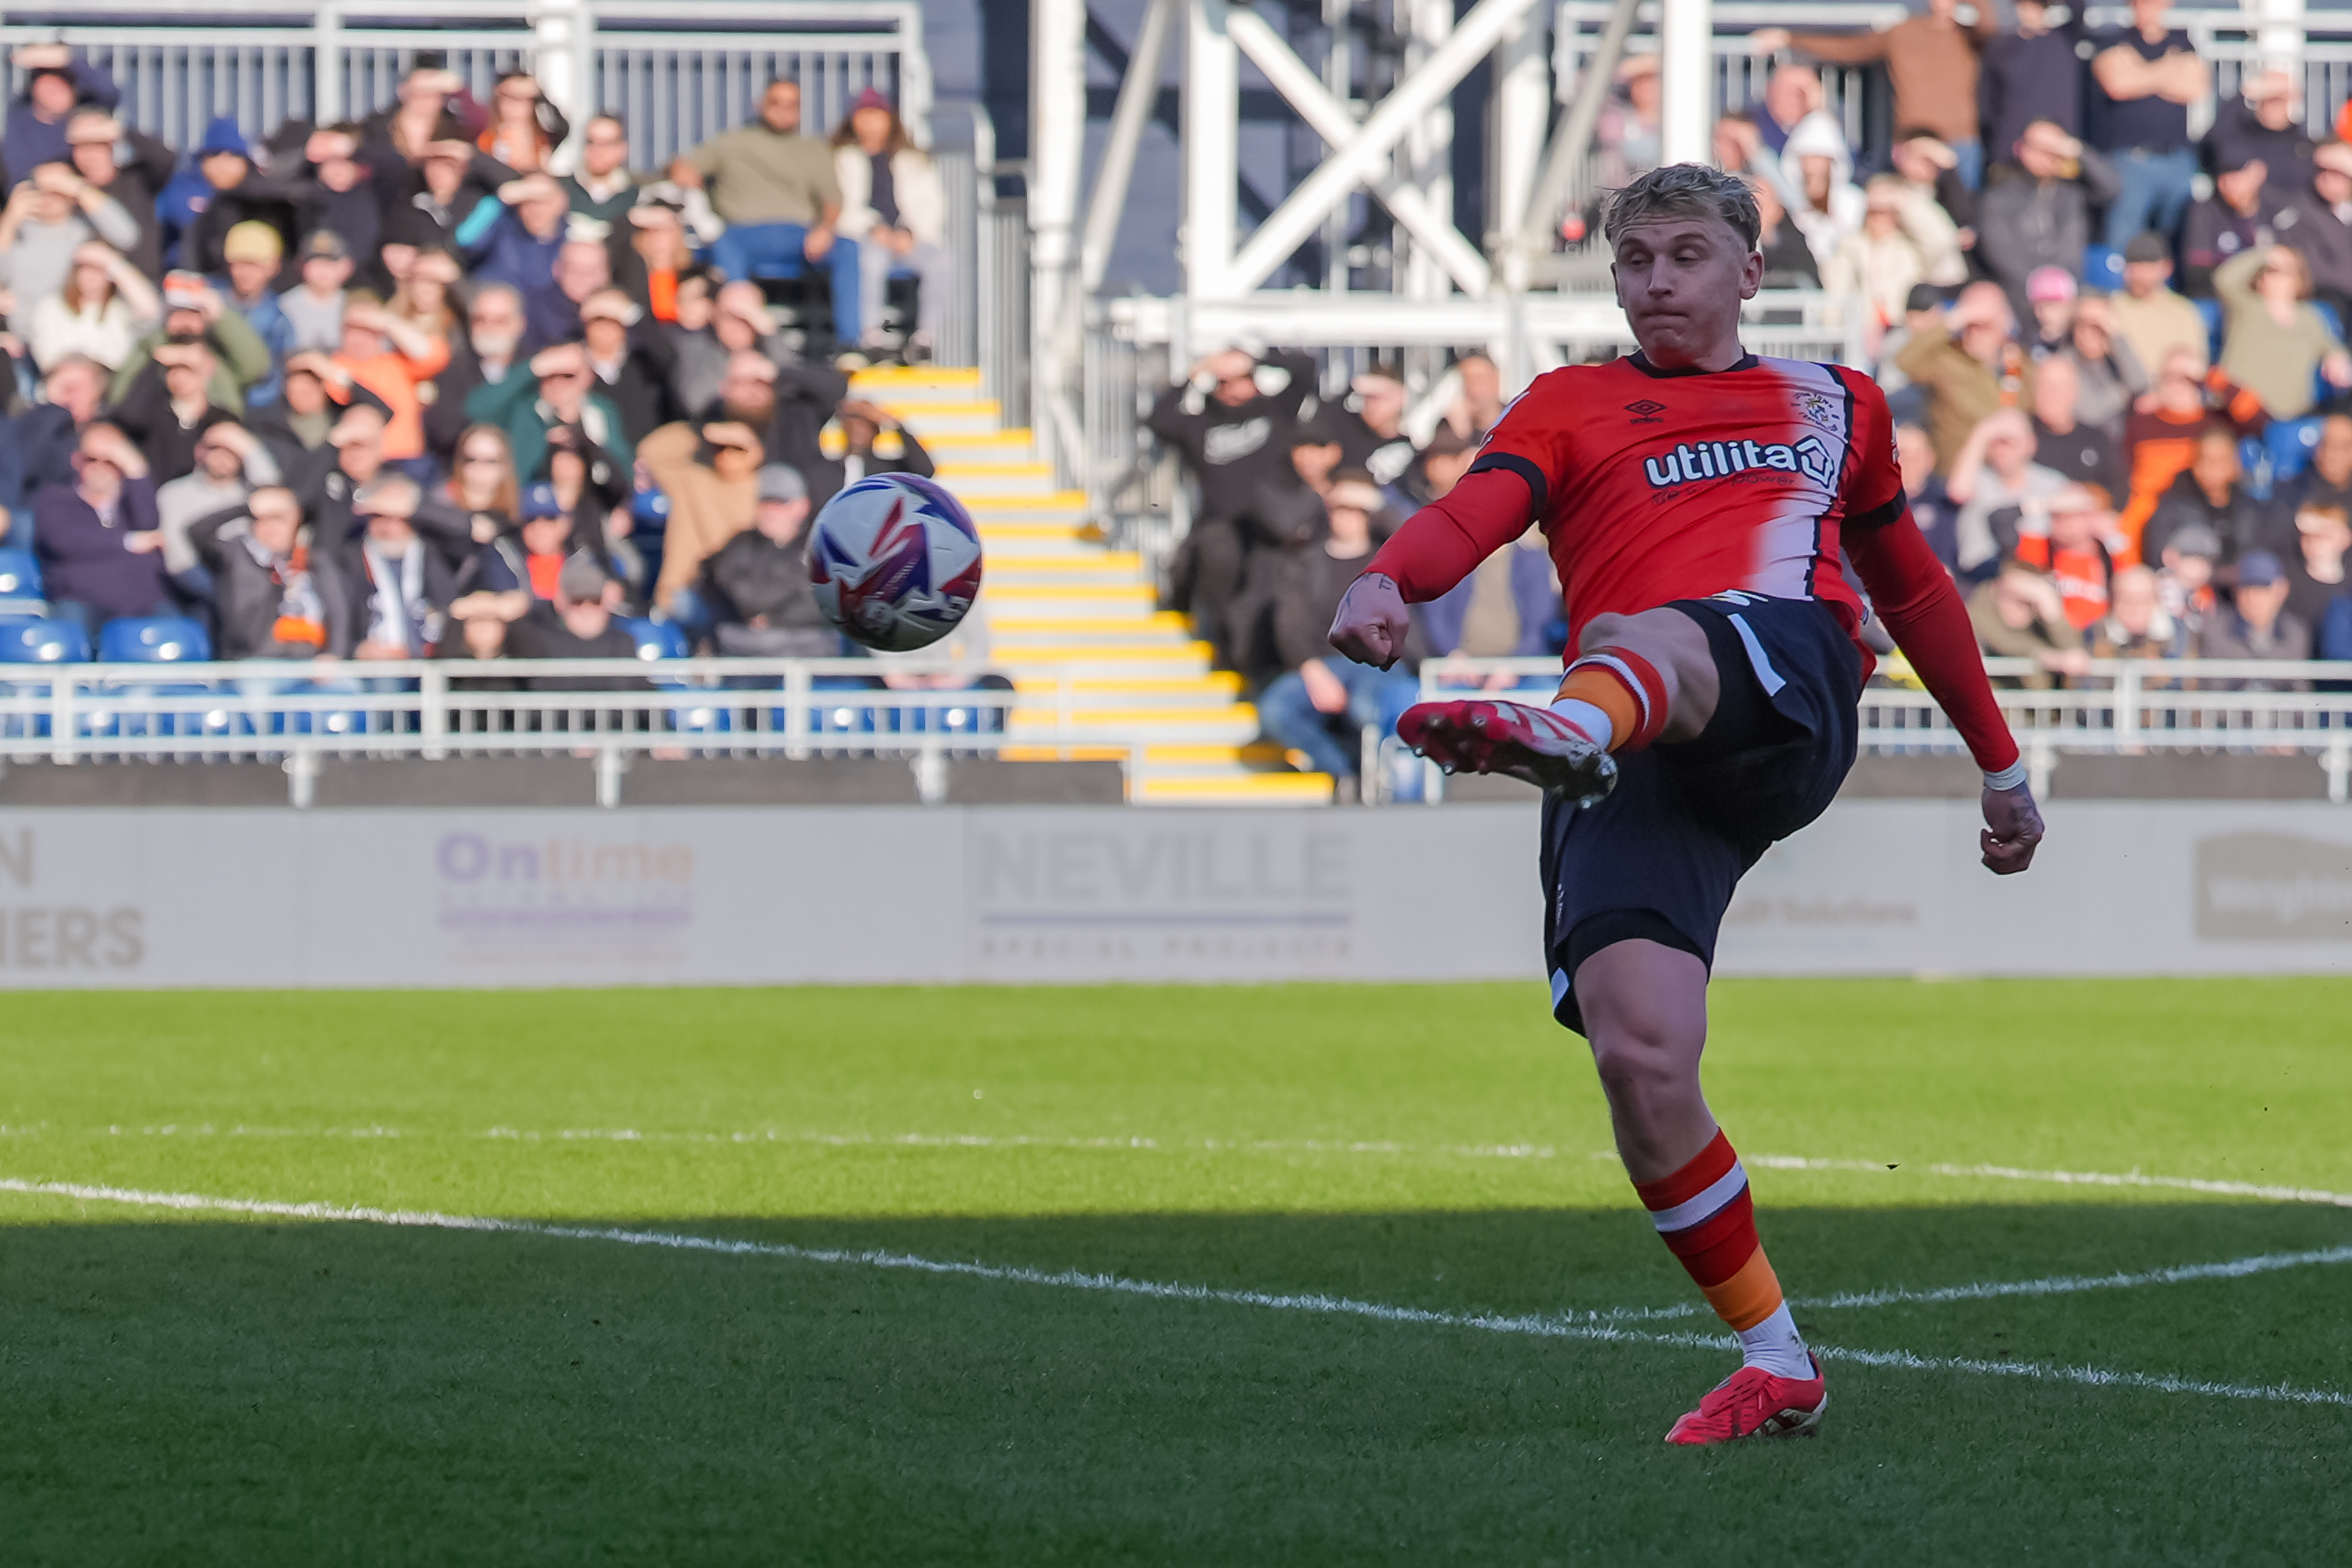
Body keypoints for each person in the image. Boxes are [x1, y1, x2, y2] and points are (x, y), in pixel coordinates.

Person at [1324, 162, 2038, 1444]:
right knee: (1640, 1053)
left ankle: (1565, 730)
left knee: (1645, 632)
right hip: (1637, 737)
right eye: (1636, 259)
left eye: (1686, 255)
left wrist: (2000, 765)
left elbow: (1917, 589)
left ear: (1750, 271)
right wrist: (1388, 581)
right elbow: (1470, 514)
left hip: (1779, 684)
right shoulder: (1570, 403)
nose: (1658, 279)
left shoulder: (1834, 402)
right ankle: (1778, 1357)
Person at [1146, 345, 1318, 666]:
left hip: (1275, 525)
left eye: (1240, 379)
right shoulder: (1200, 423)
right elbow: (1159, 420)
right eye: (1223, 381)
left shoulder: (1276, 409)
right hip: (1222, 525)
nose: (1232, 388)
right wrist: (1196, 371)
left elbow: (1306, 370)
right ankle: (1222, 644)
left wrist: (1254, 358)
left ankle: (1255, 659)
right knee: (1220, 558)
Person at [1258, 474, 1420, 801]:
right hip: (1323, 663)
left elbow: (1420, 537)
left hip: (1379, 662)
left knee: (1366, 709)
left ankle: (1381, 783)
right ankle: (1344, 771)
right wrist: (1310, 668)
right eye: (1339, 508)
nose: (1346, 516)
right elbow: (1290, 622)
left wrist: (1379, 502)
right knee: (1275, 710)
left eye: (1355, 509)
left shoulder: (1390, 558)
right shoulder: (1305, 563)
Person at [671, 78, 862, 345]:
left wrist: (825, 229)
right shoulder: (731, 143)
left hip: (800, 236)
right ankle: (735, 335)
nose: (783, 110)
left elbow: (832, 201)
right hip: (743, 234)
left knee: (849, 248)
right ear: (761, 104)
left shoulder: (813, 149)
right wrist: (687, 177)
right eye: (776, 103)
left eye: (792, 105)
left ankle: (850, 343)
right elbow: (685, 167)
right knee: (723, 243)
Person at [1753, 0, 1995, 187]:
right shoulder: (1902, 33)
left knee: (1965, 219)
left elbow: (1992, 28)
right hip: (1912, 141)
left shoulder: (1970, 36)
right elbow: (1850, 49)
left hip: (1961, 142)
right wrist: (1789, 38)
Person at [830, 89, 952, 363]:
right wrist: (873, 228)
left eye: (877, 116)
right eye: (864, 115)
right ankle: (871, 335)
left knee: (940, 262)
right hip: (865, 236)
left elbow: (932, 204)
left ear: (890, 119)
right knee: (870, 261)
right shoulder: (841, 159)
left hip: (909, 238)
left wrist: (910, 231)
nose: (870, 123)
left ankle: (925, 337)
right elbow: (840, 205)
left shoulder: (913, 160)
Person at [31, 421, 170, 637]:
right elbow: (64, 542)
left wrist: (137, 469)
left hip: (140, 604)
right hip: (80, 601)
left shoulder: (131, 505)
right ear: (77, 460)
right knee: (69, 631)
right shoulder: (55, 499)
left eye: (111, 461)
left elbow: (149, 524)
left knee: (176, 629)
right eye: (91, 459)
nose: (100, 466)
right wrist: (127, 543)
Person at [2089, 0, 2207, 253]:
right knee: (2123, 238)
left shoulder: (2183, 41)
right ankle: (2117, 290)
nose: (2147, 8)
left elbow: (2196, 88)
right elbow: (2118, 85)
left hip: (2176, 157)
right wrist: (2169, 68)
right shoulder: (2112, 40)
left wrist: (2139, 72)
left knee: (2179, 238)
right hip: (2131, 159)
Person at [2117, 351, 2267, 550]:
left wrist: (2214, 379)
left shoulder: (2216, 422)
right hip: (2150, 513)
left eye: (2186, 378)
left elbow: (2260, 419)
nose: (2177, 384)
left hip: (2203, 512)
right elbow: (2122, 473)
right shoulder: (2142, 423)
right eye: (2169, 376)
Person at [1976, 122, 2118, 319]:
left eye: (2053, 149)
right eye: (2039, 148)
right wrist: (2041, 289)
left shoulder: (2073, 191)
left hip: (2070, 292)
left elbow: (2112, 187)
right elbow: (1999, 252)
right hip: (2020, 297)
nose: (2047, 156)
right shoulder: (1999, 195)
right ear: (2021, 149)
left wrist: (2077, 150)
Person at [1894, 281, 2037, 470]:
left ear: (2004, 324)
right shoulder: (1947, 360)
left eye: (1984, 325)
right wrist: (1956, 319)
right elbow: (1904, 361)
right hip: (1956, 473)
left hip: (2007, 473)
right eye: (1970, 326)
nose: (1975, 334)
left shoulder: (2020, 364)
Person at [311, 472, 456, 659]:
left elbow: (472, 529)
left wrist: (417, 508)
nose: (388, 527)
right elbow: (341, 621)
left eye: (399, 517)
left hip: (431, 659)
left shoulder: (433, 554)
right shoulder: (349, 560)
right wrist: (357, 649)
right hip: (376, 664)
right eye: (378, 516)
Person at [703, 463, 837, 656]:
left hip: (810, 642)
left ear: (802, 506)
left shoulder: (819, 548)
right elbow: (735, 592)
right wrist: (792, 590)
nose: (770, 511)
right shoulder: (740, 545)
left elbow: (822, 604)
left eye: (780, 503)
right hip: (747, 642)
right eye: (765, 502)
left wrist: (773, 620)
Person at [639, 416, 762, 625]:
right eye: (720, 447)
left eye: (736, 448)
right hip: (682, 590)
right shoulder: (692, 479)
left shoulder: (763, 490)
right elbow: (651, 452)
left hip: (736, 597)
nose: (727, 454)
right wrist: (700, 431)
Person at [0, 160, 141, 338]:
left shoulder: (84, 232)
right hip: (20, 339)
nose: (48, 196)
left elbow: (127, 236)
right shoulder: (14, 230)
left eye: (57, 189)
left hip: (70, 339)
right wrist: (10, 220)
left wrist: (79, 189)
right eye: (40, 188)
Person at [186, 484, 328, 659]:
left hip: (311, 662)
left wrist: (333, 654)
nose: (272, 527)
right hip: (252, 661)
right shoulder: (233, 554)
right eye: (264, 519)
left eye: (279, 518)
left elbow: (339, 609)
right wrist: (246, 508)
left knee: (344, 686)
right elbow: (196, 532)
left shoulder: (314, 560)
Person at [2212, 244, 2351, 421]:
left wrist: (2336, 356)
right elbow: (2224, 279)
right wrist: (2265, 253)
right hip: (2239, 408)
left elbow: (2330, 346)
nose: (2279, 276)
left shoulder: (2310, 317)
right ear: (2260, 279)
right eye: (2272, 270)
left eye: (2287, 270)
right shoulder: (2246, 306)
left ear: (2299, 279)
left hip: (2289, 413)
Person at [154, 414, 281, 587]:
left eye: (232, 449)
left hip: (248, 583)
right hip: (195, 585)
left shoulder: (250, 493)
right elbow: (177, 559)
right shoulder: (172, 494)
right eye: (215, 448)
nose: (223, 456)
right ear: (200, 450)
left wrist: (249, 446)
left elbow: (275, 493)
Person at [1946, 408, 2070, 583]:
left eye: (2010, 442)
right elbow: (1957, 492)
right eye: (1996, 441)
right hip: (1981, 578)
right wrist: (1982, 433)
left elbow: (2084, 506)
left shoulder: (2051, 483)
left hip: (2037, 575)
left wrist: (2032, 506)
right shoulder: (1977, 478)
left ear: (2031, 444)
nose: (2003, 449)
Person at [64, 107, 174, 282]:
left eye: (95, 144)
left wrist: (122, 131)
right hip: (87, 293)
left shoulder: (136, 178)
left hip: (141, 285)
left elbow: (166, 158)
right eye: (80, 147)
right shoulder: (70, 189)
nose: (88, 155)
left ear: (111, 144)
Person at [1977, 0, 2085, 167]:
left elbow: (2077, 6)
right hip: (2010, 148)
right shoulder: (2000, 47)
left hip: (2056, 147)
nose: (2029, 12)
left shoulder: (2064, 38)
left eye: (2035, 6)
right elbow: (1988, 103)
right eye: (2024, 6)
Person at [2141, 426, 2269, 565]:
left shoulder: (2251, 508)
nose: (2212, 469)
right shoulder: (2172, 507)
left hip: (2242, 583)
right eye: (2204, 460)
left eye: (2220, 461)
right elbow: (2157, 558)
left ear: (2235, 464)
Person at [25, 239, 158, 372]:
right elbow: (47, 359)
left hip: (112, 386)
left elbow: (150, 312)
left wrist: (112, 262)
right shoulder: (51, 306)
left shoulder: (120, 309)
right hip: (65, 382)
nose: (92, 275)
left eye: (100, 268)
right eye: (86, 267)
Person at [2, 45, 121, 185]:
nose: (55, 87)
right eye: (48, 81)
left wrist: (68, 59)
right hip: (33, 193)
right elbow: (17, 171)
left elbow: (108, 92)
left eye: (64, 82)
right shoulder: (19, 118)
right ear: (34, 88)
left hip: (79, 195)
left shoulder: (82, 118)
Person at [2009, 482, 2120, 630]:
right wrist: (2046, 504)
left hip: (2100, 638)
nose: (2064, 522)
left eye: (2074, 515)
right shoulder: (2039, 549)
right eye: (2057, 515)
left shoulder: (2108, 555)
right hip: (2055, 635)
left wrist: (2110, 534)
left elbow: (2131, 577)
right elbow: (2001, 520)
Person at [1968, 561, 2089, 685]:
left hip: (2045, 700)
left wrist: (2048, 603)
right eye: (2010, 597)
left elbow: (2075, 652)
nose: (2016, 608)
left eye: (2027, 601)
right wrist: (2054, 659)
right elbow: (2011, 646)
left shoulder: (2041, 617)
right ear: (1996, 589)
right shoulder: (1977, 611)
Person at [2028, 353, 2125, 505]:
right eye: (2045, 386)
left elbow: (2118, 495)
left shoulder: (2097, 440)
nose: (2051, 395)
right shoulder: (2021, 436)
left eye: (2058, 388)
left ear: (2074, 392)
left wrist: (2086, 494)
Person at [2109, 230, 2209, 378]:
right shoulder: (2112, 306)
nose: (2138, 275)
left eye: (2145, 268)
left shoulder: (2184, 312)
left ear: (2166, 268)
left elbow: (2196, 365)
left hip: (2170, 392)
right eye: (2133, 268)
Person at [2207, 70, 2315, 207]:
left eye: (2278, 98)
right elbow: (2214, 142)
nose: (2271, 104)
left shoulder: (2303, 146)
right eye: (2266, 96)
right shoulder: (2241, 135)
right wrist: (2246, 94)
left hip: (2292, 221)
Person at [2181, 152, 2278, 299]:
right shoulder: (2205, 211)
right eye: (2222, 178)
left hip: (2266, 296)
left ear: (2258, 174)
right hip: (2221, 298)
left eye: (2236, 176)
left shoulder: (2276, 209)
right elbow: (2197, 273)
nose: (2226, 185)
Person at [2271, 142, 2352, 310]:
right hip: (2325, 301)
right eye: (2322, 170)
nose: (2328, 178)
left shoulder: (2344, 214)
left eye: (2338, 173)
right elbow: (2310, 270)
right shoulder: (2297, 216)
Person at [2200, 549, 2311, 667]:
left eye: (2262, 589)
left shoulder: (2295, 634)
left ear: (2282, 590)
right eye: (2246, 588)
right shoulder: (2216, 632)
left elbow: (2298, 683)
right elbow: (2212, 684)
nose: (2252, 598)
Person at [2089, 563, 2185, 659]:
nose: (2134, 609)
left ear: (2157, 601)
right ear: (2113, 603)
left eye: (2143, 601)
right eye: (2127, 601)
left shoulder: (2180, 634)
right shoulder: (2094, 634)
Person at [478, 72, 567, 176]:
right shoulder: (486, 136)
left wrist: (541, 94)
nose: (516, 106)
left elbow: (563, 127)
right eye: (510, 97)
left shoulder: (541, 138)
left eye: (524, 98)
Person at [279, 229, 352, 354]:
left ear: (346, 266)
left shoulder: (353, 306)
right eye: (316, 263)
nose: (323, 271)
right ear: (301, 265)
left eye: (330, 263)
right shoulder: (284, 306)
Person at [2282, 501, 2351, 634]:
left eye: (2323, 536)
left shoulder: (2349, 588)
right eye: (2306, 536)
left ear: (2345, 538)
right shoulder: (2287, 584)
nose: (2313, 543)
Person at [563, 114, 639, 224]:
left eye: (607, 143)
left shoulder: (638, 195)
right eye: (591, 142)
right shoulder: (561, 190)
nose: (597, 150)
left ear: (623, 149)